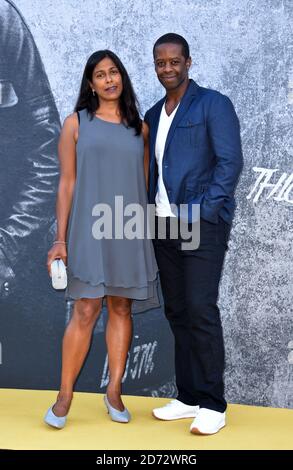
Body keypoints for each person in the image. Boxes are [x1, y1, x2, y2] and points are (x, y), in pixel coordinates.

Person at [44, 50, 158, 428]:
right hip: (87, 232)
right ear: (90, 84)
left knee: (122, 308)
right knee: (86, 310)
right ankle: (64, 396)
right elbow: (66, 183)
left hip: (126, 230)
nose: (109, 79)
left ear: (122, 78)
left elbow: (141, 186)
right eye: (100, 75)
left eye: (114, 73)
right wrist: (60, 240)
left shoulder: (138, 129)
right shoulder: (75, 124)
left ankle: (114, 392)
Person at [144, 33, 243, 435]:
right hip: (163, 226)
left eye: (174, 61)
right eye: (160, 63)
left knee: (201, 310)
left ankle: (213, 404)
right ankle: (187, 397)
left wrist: (204, 212)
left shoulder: (213, 104)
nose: (167, 68)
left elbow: (229, 163)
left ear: (188, 62)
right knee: (178, 310)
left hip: (199, 224)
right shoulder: (153, 113)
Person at [0, 0, 61, 388]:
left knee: (29, 395)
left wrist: (6, 248)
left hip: (14, 243)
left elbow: (46, 148)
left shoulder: (2, 20)